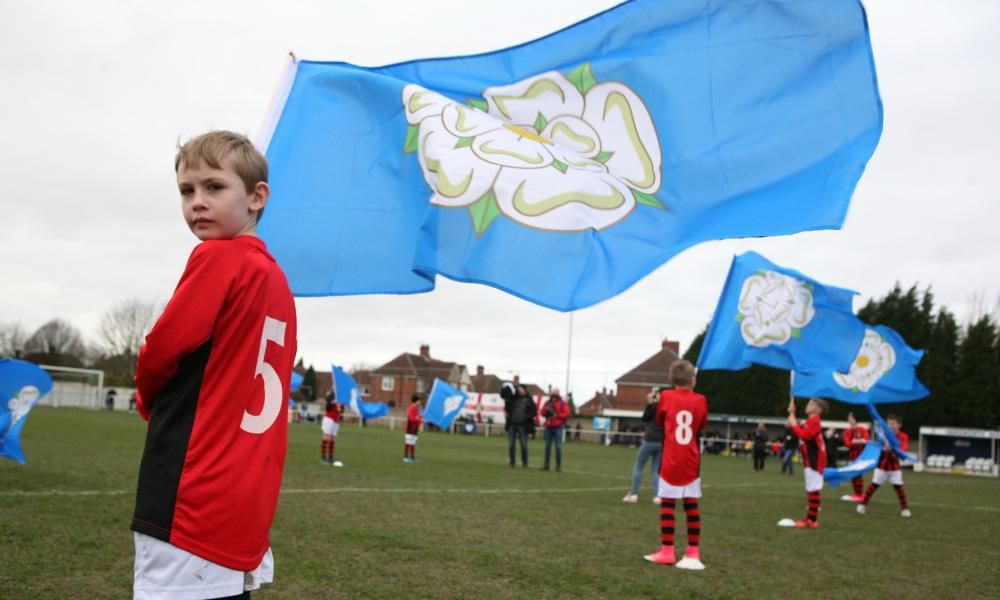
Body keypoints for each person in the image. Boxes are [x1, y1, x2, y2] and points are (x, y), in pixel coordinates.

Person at [132, 131, 297, 599]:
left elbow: (160, 352)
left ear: (257, 196)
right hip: (246, 491)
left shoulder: (218, 257)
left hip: (194, 486)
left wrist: (147, 401)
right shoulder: (276, 278)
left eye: (214, 187)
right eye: (187, 191)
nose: (197, 202)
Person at [644, 361, 708, 570]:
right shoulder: (701, 400)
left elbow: (660, 420)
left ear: (671, 380)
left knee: (668, 505)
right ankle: (692, 551)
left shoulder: (666, 397)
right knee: (691, 506)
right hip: (691, 459)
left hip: (671, 458)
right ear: (693, 380)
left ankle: (667, 550)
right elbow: (701, 425)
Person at [857, 414, 912, 518]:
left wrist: (895, 450)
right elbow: (878, 446)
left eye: (893, 424)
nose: (890, 426)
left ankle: (904, 509)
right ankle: (862, 504)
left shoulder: (903, 436)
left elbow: (903, 450)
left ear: (899, 425)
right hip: (882, 466)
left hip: (895, 467)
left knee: (899, 487)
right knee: (873, 486)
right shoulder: (883, 434)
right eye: (888, 423)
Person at [786, 397, 828, 529]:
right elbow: (793, 427)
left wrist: (793, 422)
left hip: (814, 460)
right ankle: (810, 519)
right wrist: (792, 413)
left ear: (819, 409)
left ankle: (811, 520)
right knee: (811, 489)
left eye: (811, 404)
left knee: (813, 490)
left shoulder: (815, 421)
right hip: (810, 459)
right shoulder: (810, 421)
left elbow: (804, 435)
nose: (808, 405)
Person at [623, 390, 664, 504]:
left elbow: (645, 418)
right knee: (656, 470)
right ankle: (657, 496)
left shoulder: (653, 407)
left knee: (638, 466)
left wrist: (650, 403)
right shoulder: (666, 409)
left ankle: (634, 494)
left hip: (649, 440)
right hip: (661, 442)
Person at [504, 383, 537, 468]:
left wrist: (526, 417)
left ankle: (525, 463)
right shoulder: (513, 398)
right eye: (518, 389)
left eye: (521, 389)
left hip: (523, 425)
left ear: (524, 390)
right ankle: (512, 462)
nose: (519, 390)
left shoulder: (529, 399)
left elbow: (534, 411)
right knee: (511, 444)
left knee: (523, 445)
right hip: (512, 424)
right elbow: (507, 408)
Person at [541, 387, 571, 471]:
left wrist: (556, 415)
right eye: (552, 392)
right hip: (549, 426)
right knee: (547, 446)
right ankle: (546, 464)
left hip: (558, 427)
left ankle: (558, 465)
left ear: (558, 393)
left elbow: (567, 413)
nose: (554, 394)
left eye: (555, 392)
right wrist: (546, 412)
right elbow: (542, 412)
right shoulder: (547, 402)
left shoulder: (563, 403)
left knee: (558, 446)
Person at [842, 412, 870, 501]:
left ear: (856, 420)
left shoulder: (862, 429)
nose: (849, 420)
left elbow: (866, 440)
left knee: (858, 475)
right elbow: (847, 443)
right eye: (849, 418)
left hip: (861, 457)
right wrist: (856, 441)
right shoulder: (847, 431)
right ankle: (857, 494)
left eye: (851, 418)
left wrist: (856, 441)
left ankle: (859, 494)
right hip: (852, 457)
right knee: (853, 476)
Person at [321, 390, 344, 467]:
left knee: (332, 439)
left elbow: (341, 410)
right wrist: (333, 401)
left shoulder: (341, 399)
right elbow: (328, 407)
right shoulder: (332, 396)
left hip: (335, 420)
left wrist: (340, 408)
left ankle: (330, 457)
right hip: (329, 419)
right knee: (326, 438)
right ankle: (323, 458)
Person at [403, 394, 423, 463]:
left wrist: (420, 424)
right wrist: (418, 419)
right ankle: (405, 457)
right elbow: (411, 418)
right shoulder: (411, 408)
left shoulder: (417, 409)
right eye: (419, 400)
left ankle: (412, 458)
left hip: (415, 428)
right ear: (415, 401)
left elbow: (418, 418)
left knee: (413, 443)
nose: (420, 402)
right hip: (410, 427)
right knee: (408, 442)